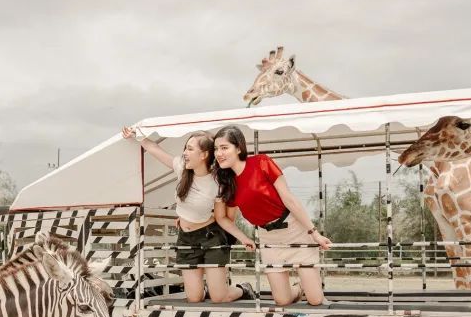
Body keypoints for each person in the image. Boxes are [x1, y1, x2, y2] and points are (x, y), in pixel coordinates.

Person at [122, 126, 256, 304]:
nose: (184, 153)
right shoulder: (181, 168)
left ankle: (243, 289)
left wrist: (243, 237)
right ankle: (212, 287)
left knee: (219, 298)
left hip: (211, 237)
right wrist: (137, 136)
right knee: (194, 297)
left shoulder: (218, 183)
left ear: (204, 155)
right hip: (186, 238)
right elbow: (155, 149)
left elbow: (221, 218)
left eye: (190, 149)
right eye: (185, 148)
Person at [212, 125, 332, 306]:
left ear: (238, 148)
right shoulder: (226, 183)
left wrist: (314, 232)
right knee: (282, 301)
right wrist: (244, 238)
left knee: (315, 300)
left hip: (293, 228)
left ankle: (303, 288)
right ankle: (298, 290)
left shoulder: (261, 162)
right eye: (216, 149)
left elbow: (289, 199)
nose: (219, 153)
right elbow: (222, 218)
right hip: (268, 237)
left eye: (224, 147)